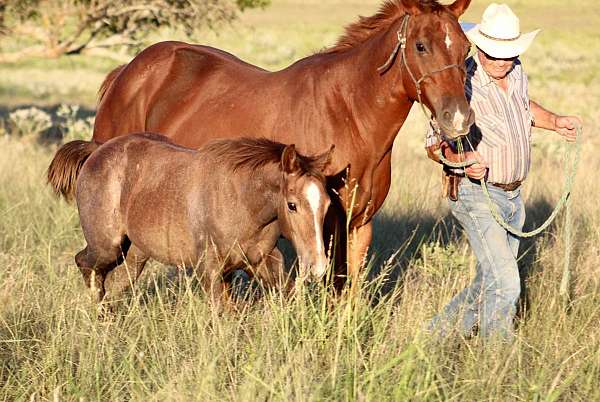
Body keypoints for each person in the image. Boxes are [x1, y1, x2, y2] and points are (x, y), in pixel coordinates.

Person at [424, 3, 581, 341]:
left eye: (508, 53)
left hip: (513, 195)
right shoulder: (460, 79)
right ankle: (498, 357)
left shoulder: (516, 70)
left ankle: (436, 337)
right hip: (476, 194)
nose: (500, 60)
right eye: (493, 53)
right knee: (507, 281)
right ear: (478, 45)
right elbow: (434, 144)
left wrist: (554, 122)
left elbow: (524, 107)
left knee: (491, 278)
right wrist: (464, 161)